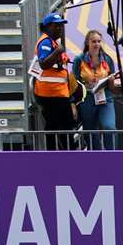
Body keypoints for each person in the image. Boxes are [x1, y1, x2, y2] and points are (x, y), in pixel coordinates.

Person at [30, 12, 74, 145]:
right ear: (48, 27)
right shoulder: (46, 42)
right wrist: (58, 52)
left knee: (61, 128)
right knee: (59, 128)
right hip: (51, 94)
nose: (60, 28)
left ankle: (62, 156)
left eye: (61, 26)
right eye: (56, 26)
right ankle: (60, 158)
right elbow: (43, 64)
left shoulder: (53, 43)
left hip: (59, 93)